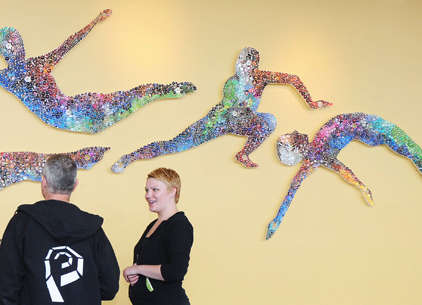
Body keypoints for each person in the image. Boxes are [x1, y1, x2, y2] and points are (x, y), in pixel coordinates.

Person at [0, 9, 195, 133]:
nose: (18, 48)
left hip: (75, 107)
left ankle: (167, 89)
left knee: (128, 97)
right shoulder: (4, 77)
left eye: (19, 43)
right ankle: (164, 90)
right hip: (67, 117)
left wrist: (94, 22)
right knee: (124, 102)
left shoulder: (39, 63)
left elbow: (68, 44)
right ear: (5, 52)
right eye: (12, 46)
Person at [112, 47, 332, 173]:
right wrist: (215, 121)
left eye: (247, 62)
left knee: (270, 120)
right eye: (240, 60)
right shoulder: (232, 82)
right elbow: (225, 109)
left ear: (254, 65)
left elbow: (292, 78)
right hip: (218, 121)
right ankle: (130, 157)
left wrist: (311, 102)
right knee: (175, 145)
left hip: (243, 120)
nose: (242, 65)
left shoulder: (261, 77)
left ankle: (243, 153)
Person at [266, 112, 422, 239]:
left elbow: (295, 188)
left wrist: (361, 187)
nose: (294, 132)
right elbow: (340, 170)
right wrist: (361, 186)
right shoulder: (315, 155)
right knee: (408, 148)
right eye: (291, 138)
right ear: (295, 150)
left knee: (409, 149)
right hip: (368, 127)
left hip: (366, 124)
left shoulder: (316, 151)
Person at [0, 154, 120, 305]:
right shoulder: (94, 230)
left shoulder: (21, 223)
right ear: (75, 185)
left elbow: (7, 286)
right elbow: (109, 287)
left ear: (44, 182)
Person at [122, 168, 193, 305]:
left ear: (173, 191)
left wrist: (137, 269)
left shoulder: (179, 225)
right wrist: (136, 276)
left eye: (155, 189)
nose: (148, 195)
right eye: (147, 190)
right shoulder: (154, 225)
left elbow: (176, 271)